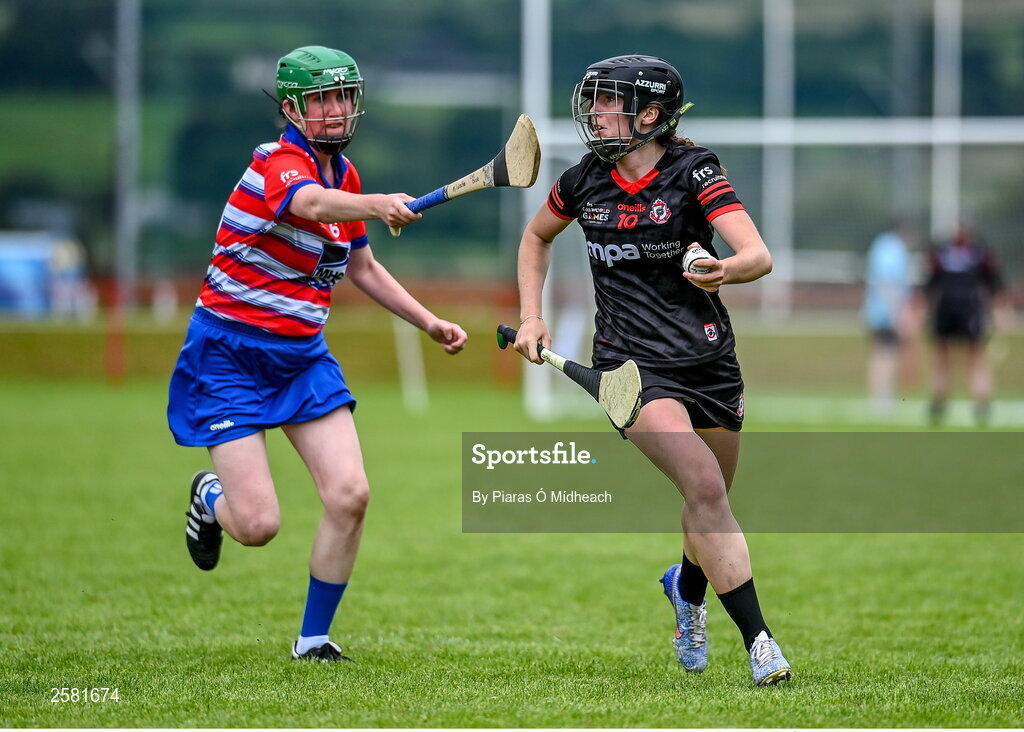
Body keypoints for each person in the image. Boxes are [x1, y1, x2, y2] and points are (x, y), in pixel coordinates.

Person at [167, 46, 467, 662]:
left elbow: (363, 267)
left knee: (350, 495)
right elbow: (307, 204)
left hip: (302, 357)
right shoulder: (276, 164)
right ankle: (210, 498)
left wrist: (429, 322)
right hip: (229, 355)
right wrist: (378, 203)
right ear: (291, 109)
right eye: (321, 99)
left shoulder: (345, 175)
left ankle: (313, 641)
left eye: (343, 97)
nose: (335, 110)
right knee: (257, 526)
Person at [512, 55, 791, 686]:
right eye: (594, 101)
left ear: (650, 115)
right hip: (630, 370)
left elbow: (757, 255)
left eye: (609, 102)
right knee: (704, 486)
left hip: (709, 362)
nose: (595, 113)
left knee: (708, 500)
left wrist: (723, 270)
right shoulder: (583, 181)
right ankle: (761, 644)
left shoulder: (695, 172)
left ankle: (685, 590)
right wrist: (531, 316)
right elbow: (536, 238)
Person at [924, 223, 1008, 427]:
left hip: (970, 308)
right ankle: (939, 402)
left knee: (975, 356)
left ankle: (981, 404)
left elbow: (994, 283)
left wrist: (1000, 310)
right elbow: (931, 283)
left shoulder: (980, 252)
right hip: (946, 309)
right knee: (942, 356)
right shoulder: (941, 252)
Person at [863, 221, 915, 417]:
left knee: (881, 354)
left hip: (877, 310)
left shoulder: (880, 245)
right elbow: (887, 281)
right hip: (885, 312)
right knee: (886, 355)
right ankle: (882, 399)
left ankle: (882, 397)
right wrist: (896, 312)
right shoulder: (893, 250)